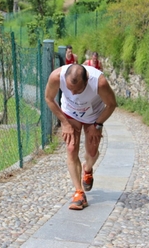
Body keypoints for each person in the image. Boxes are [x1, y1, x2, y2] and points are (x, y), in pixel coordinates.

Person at [45, 64, 117, 210]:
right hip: (71, 113)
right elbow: (49, 98)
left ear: (87, 81)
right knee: (71, 148)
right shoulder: (56, 77)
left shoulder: (99, 82)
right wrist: (64, 123)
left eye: (78, 90)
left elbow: (111, 104)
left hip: (94, 116)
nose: (74, 94)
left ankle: (88, 168)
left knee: (91, 152)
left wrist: (98, 125)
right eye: (70, 90)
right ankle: (79, 193)